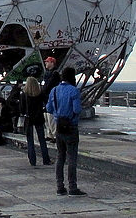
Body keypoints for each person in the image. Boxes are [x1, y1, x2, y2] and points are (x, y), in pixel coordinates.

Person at [47, 67, 85, 196]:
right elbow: (77, 110)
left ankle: (59, 186)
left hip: (59, 127)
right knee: (72, 158)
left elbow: (49, 108)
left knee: (60, 157)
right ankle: (72, 187)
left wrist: (58, 115)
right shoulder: (74, 91)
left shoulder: (54, 90)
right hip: (71, 126)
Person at [21, 76, 52, 166]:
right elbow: (47, 101)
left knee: (30, 140)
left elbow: (21, 109)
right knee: (42, 139)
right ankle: (46, 159)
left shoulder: (24, 95)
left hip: (29, 118)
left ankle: (32, 160)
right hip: (38, 117)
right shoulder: (40, 94)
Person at [42, 67, 60, 142]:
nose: (46, 63)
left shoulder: (54, 74)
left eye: (47, 62)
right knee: (47, 118)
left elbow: (48, 86)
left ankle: (54, 135)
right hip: (47, 99)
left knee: (50, 118)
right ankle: (50, 134)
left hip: (49, 99)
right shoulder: (51, 74)